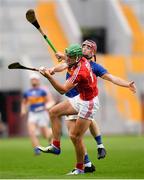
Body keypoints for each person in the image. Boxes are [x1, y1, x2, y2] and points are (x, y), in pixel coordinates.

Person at [38, 44, 136, 175]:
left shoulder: (81, 71)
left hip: (88, 103)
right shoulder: (82, 59)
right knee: (53, 112)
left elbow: (62, 90)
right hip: (79, 98)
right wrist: (55, 66)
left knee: (74, 136)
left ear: (78, 57)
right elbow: (66, 63)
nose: (85, 49)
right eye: (83, 46)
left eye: (88, 47)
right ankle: (56, 146)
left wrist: (49, 77)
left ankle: (80, 168)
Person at [21, 73, 55, 155]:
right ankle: (37, 149)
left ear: (38, 80)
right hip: (32, 113)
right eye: (32, 79)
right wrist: (23, 110)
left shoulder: (43, 90)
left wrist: (47, 106)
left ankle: (52, 140)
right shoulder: (27, 92)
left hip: (42, 113)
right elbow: (24, 102)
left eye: (35, 79)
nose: (33, 81)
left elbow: (51, 101)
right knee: (31, 131)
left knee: (45, 134)